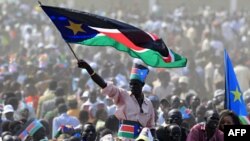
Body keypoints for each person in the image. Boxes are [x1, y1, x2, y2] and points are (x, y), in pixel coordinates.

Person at [78, 59, 156, 140]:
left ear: (142, 84)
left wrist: (154, 138)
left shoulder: (148, 103)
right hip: (123, 138)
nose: (132, 86)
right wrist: (88, 68)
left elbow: (151, 127)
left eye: (135, 84)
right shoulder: (123, 94)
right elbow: (103, 85)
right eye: (131, 84)